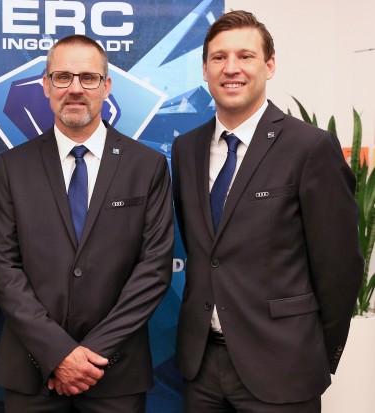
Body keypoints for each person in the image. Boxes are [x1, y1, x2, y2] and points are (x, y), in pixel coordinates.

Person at [171, 10, 364, 412]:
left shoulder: (310, 147)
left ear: (269, 65)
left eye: (245, 56)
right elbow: (204, 249)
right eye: (219, 58)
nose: (231, 68)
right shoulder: (186, 149)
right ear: (205, 70)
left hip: (283, 367)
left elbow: (340, 267)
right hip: (202, 368)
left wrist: (315, 355)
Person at [0, 34, 174, 412]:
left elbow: (153, 270)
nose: (75, 89)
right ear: (44, 85)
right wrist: (58, 354)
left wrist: (92, 354)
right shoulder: (12, 167)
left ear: (107, 87)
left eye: (88, 78)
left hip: (114, 371)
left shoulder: (146, 166)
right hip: (32, 371)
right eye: (62, 77)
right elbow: (4, 269)